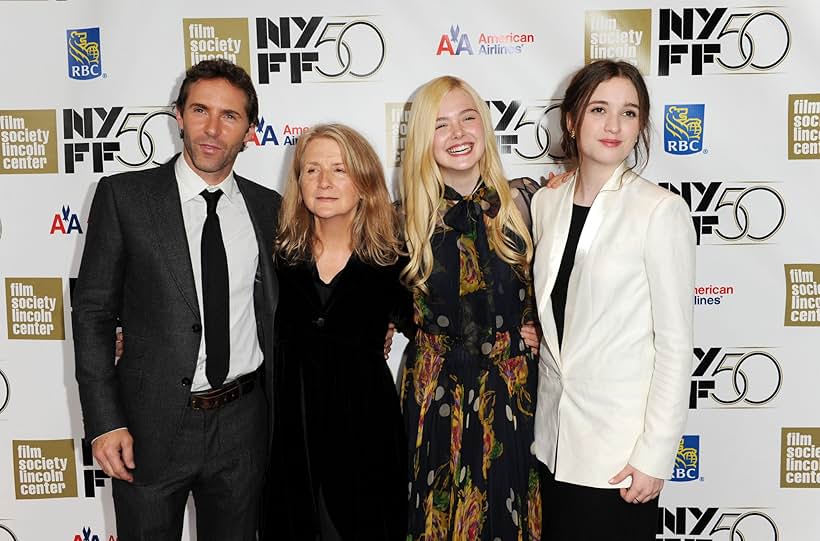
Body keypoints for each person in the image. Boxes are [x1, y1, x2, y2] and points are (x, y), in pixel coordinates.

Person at [72, 59, 280, 541]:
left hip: (244, 425)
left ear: (249, 129)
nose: (211, 128)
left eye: (229, 116)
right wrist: (104, 423)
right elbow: (93, 314)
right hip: (149, 426)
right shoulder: (125, 197)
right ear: (179, 115)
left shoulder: (268, 208)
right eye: (200, 110)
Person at [530, 59, 696, 540]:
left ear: (641, 124)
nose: (613, 125)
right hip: (553, 443)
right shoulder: (546, 203)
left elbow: (674, 345)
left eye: (629, 113)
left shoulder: (659, 211)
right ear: (571, 119)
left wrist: (654, 455)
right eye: (599, 109)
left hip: (620, 458)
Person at [399, 75, 542, 540]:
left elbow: (574, 288)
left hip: (510, 388)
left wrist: (545, 328)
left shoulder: (529, 202)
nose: (458, 134)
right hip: (432, 390)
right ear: (423, 137)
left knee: (508, 515)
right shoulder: (401, 217)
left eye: (468, 117)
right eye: (441, 124)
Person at [264, 124, 411, 540]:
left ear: (364, 181)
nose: (324, 182)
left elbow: (441, 322)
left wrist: (528, 325)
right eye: (311, 171)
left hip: (367, 434)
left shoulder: (393, 259)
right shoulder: (275, 254)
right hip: (293, 436)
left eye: (339, 170)